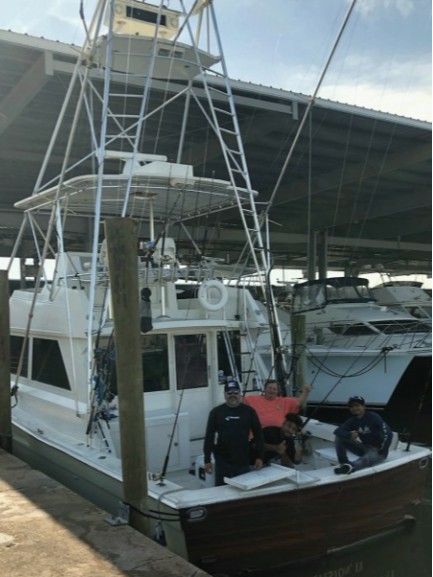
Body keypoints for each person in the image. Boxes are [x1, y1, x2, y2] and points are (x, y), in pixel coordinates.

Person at [203, 380, 265, 486]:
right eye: (229, 393)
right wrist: (207, 460)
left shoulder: (249, 411)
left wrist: (260, 456)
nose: (232, 395)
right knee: (222, 491)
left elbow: (258, 435)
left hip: (243, 460)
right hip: (222, 461)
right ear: (224, 395)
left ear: (240, 394)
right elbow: (209, 437)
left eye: (235, 392)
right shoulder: (215, 413)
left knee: (242, 492)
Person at [333, 395, 393, 475]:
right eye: (351, 406)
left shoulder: (373, 416)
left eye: (357, 405)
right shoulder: (352, 421)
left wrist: (382, 449)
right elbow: (337, 431)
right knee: (339, 438)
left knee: (366, 459)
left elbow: (389, 434)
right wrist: (349, 435)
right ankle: (344, 463)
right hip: (364, 448)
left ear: (363, 406)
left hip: (378, 451)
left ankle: (351, 467)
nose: (354, 408)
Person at [243, 379, 312, 428]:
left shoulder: (284, 401)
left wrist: (305, 392)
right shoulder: (253, 399)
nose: (272, 391)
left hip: (277, 437)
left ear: (277, 391)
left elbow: (299, 402)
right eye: (270, 388)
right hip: (258, 436)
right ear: (264, 389)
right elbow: (240, 400)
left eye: (274, 389)